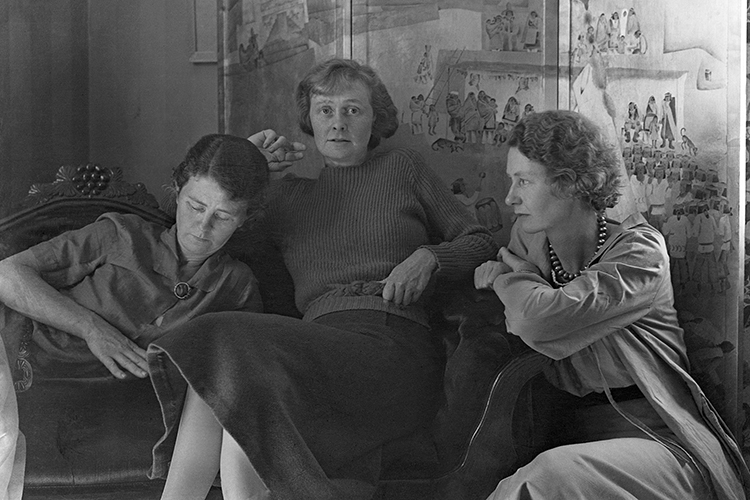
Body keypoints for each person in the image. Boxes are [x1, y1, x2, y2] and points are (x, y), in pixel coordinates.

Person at [148, 58, 497, 500]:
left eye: (353, 110)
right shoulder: (285, 197)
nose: (338, 123)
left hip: (393, 349)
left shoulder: (402, 169)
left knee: (223, 342)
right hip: (316, 353)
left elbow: (481, 239)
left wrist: (431, 257)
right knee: (227, 375)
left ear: (376, 119)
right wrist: (245, 163)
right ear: (309, 122)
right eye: (325, 110)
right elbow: (195, 239)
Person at [474, 110, 749, 500]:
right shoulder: (529, 239)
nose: (510, 197)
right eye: (510, 180)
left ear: (569, 184)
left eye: (524, 181)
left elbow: (533, 319)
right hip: (570, 433)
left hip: (660, 443)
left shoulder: (641, 252)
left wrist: (510, 275)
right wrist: (507, 269)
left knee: (546, 479)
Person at [0, 134, 279, 500]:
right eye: (196, 206)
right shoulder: (120, 235)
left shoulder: (236, 286)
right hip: (24, 367)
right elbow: (8, 274)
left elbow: (232, 376)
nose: (202, 227)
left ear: (244, 219)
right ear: (178, 189)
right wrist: (91, 327)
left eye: (223, 216)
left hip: (118, 403)